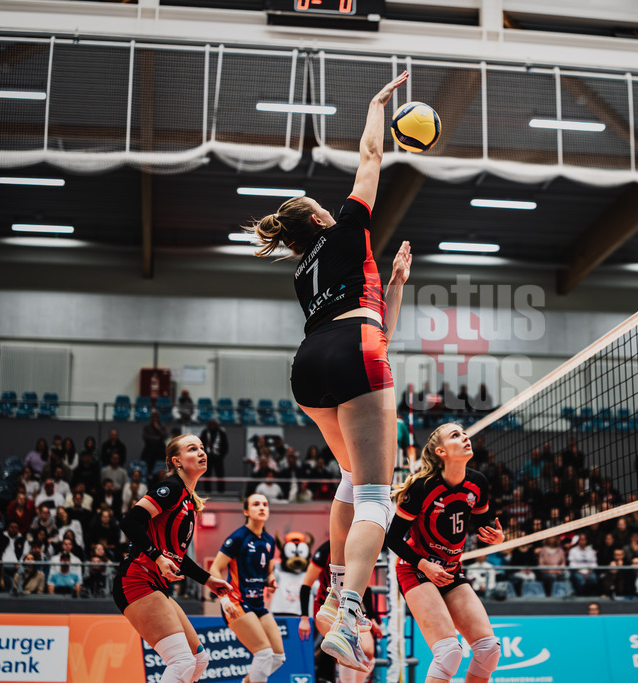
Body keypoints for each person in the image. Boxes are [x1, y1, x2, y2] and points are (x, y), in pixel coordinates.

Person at [248, 70, 412, 671]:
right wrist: (374, 106)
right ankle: (348, 612)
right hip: (353, 349)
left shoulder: (301, 274)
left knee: (350, 474)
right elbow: (372, 154)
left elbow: (368, 319)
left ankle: (337, 587)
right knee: (377, 496)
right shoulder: (346, 228)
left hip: (310, 363)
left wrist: (393, 285)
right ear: (319, 218)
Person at [384, 422, 504, 683]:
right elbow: (392, 538)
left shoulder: (477, 482)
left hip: (450, 572)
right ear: (441, 451)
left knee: (488, 650)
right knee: (449, 653)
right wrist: (424, 565)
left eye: (464, 433)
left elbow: (486, 524)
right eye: (455, 435)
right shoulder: (421, 488)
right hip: (416, 570)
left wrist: (497, 537)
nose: (465, 437)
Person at [112, 434, 231, 683]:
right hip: (137, 579)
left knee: (199, 660)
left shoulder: (188, 499)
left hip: (154, 584)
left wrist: (207, 580)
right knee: (182, 661)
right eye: (192, 449)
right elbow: (130, 522)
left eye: (202, 448)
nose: (201, 452)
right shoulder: (172, 488)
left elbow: (177, 557)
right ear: (177, 461)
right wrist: (156, 557)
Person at [209, 494, 286, 683]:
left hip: (258, 604)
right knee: (264, 654)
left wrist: (271, 579)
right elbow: (214, 569)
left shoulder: (269, 540)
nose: (262, 508)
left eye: (265, 504)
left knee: (278, 657)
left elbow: (268, 571)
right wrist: (224, 599)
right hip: (237, 602)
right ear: (246, 511)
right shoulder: (238, 537)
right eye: (256, 504)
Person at [297, 540, 382, 683]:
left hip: (351, 609)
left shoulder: (360, 546)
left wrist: (372, 618)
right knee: (345, 647)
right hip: (327, 608)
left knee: (368, 651)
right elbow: (306, 585)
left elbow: (366, 588)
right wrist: (304, 618)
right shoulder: (326, 550)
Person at [199, 420, 229, 494]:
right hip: (207, 458)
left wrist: (221, 455)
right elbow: (200, 444)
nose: (212, 426)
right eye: (210, 424)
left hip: (218, 458)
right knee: (207, 474)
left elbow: (225, 446)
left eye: (213, 424)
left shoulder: (221, 433)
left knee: (220, 475)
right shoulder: (205, 432)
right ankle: (207, 491)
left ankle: (221, 492)